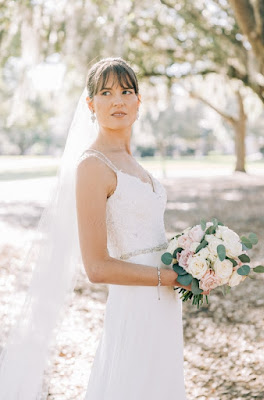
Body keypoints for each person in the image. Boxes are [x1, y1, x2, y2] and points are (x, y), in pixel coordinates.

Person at [76, 57, 209, 400]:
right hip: (136, 302)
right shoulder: (93, 166)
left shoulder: (134, 163)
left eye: (126, 90)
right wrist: (169, 278)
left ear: (138, 102)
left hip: (164, 301)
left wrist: (193, 260)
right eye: (106, 92)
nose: (118, 100)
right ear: (91, 104)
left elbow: (149, 237)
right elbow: (96, 267)